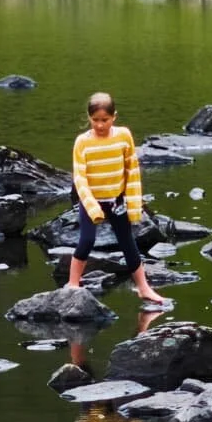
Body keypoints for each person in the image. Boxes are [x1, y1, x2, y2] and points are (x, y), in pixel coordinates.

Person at [67, 92, 167, 306]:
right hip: (92, 199)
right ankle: (73, 284)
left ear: (114, 117)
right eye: (95, 120)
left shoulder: (123, 136)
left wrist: (133, 204)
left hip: (116, 199)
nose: (100, 125)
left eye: (105, 120)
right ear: (88, 117)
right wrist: (93, 208)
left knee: (127, 242)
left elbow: (132, 170)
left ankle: (143, 287)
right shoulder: (82, 142)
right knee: (87, 240)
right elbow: (80, 178)